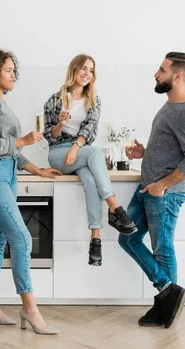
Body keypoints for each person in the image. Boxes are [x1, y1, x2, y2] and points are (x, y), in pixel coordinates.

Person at [0, 49, 61, 335]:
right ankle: (30, 308)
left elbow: (11, 152)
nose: (12, 75)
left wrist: (38, 170)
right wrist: (22, 139)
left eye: (12, 70)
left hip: (5, 175)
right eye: (7, 69)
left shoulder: (0, 102)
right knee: (21, 238)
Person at [119, 52, 185, 328]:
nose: (156, 74)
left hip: (164, 193)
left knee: (162, 248)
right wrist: (145, 153)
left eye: (162, 70)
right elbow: (172, 150)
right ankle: (169, 292)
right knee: (128, 239)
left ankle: (165, 307)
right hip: (149, 189)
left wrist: (162, 186)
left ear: (178, 76)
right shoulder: (169, 107)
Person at [44, 54, 137, 266]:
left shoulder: (93, 101)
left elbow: (89, 129)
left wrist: (76, 147)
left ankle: (95, 237)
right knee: (95, 153)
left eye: (91, 70)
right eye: (84, 68)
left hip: (79, 153)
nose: (88, 73)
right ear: (74, 70)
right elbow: (50, 136)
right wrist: (59, 124)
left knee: (89, 180)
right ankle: (115, 207)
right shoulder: (54, 100)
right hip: (58, 153)